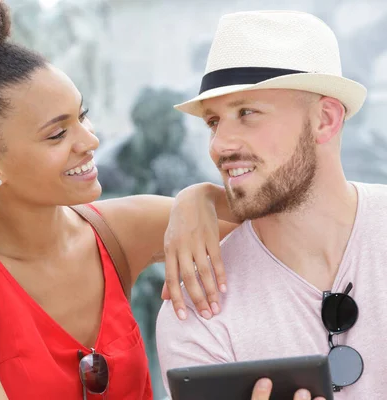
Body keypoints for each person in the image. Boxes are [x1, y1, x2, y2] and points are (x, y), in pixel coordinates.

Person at [0, 0, 238, 399]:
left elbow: (285, 216)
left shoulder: (119, 230)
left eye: (81, 116)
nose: (91, 141)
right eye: (56, 134)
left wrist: (200, 197)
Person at [157, 9, 387, 400]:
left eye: (247, 113)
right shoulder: (198, 311)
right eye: (213, 121)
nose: (219, 145)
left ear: (325, 120)